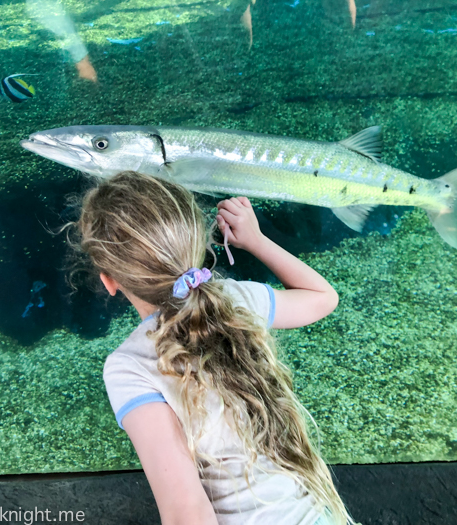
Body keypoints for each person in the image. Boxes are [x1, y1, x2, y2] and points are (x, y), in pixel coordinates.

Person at [69, 171, 358, 525]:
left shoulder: (129, 367)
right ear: (199, 243)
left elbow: (188, 513)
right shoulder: (237, 298)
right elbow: (322, 298)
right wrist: (255, 240)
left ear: (109, 280)